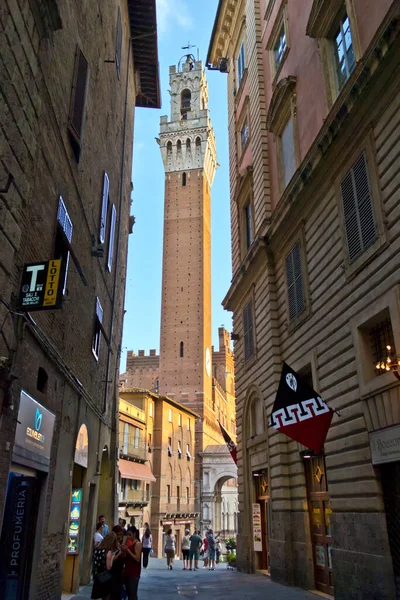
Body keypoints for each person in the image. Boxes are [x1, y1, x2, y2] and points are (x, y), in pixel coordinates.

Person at [91, 532, 119, 600]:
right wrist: (114, 556)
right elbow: (109, 567)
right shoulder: (108, 552)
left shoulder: (97, 550)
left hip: (98, 576)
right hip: (107, 578)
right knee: (106, 597)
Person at [122, 527, 142, 600]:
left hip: (134, 572)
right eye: (127, 535)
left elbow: (137, 558)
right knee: (129, 593)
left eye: (130, 535)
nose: (128, 536)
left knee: (132, 594)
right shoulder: (131, 543)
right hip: (128, 570)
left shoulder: (137, 544)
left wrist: (128, 550)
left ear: (134, 534)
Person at [110, 526, 126, 600]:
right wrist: (120, 553)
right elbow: (112, 559)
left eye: (121, 534)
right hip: (113, 572)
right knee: (114, 592)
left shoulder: (119, 543)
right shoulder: (112, 544)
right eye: (118, 534)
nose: (119, 536)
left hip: (119, 571)